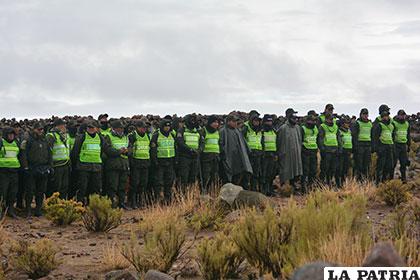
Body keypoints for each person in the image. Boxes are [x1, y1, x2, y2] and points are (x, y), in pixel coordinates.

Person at [20, 122, 53, 217]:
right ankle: (28, 210)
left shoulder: (45, 140)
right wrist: (25, 167)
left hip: (43, 168)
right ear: (34, 129)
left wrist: (50, 166)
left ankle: (38, 210)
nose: (40, 131)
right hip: (31, 168)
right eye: (38, 129)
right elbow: (24, 154)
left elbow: (50, 154)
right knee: (30, 191)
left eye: (42, 129)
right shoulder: (28, 140)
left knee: (41, 191)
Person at [72, 120, 105, 204]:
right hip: (83, 167)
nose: (90, 129)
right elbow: (75, 152)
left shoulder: (100, 138)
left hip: (96, 167)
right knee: (82, 188)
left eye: (92, 127)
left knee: (95, 188)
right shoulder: (81, 137)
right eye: (89, 127)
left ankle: (93, 206)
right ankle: (80, 206)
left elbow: (102, 151)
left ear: (96, 129)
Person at [103, 120, 130, 209]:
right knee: (112, 186)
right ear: (114, 129)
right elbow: (107, 150)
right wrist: (119, 151)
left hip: (124, 165)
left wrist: (128, 151)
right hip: (113, 166)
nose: (121, 130)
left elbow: (130, 148)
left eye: (122, 128)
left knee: (122, 186)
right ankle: (112, 205)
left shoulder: (126, 137)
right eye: (119, 128)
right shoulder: (108, 136)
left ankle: (121, 203)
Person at [220, 114, 253, 186]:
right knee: (229, 174)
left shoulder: (238, 131)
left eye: (236, 121)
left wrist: (249, 151)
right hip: (229, 157)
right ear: (228, 122)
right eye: (233, 121)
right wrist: (223, 153)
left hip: (239, 157)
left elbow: (244, 143)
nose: (235, 123)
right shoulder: (223, 131)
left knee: (240, 173)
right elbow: (221, 143)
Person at [150, 118, 176, 203]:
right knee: (159, 182)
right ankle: (158, 199)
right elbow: (153, 150)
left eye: (169, 126)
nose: (167, 128)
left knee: (169, 181)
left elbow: (175, 148)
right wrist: (155, 161)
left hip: (170, 161)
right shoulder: (156, 135)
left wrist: (176, 160)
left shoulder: (172, 135)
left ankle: (168, 199)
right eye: (165, 126)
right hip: (160, 162)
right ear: (162, 126)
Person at [278, 108, 303, 191]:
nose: (295, 119)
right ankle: (284, 187)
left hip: (296, 153)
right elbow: (279, 142)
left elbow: (300, 140)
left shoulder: (297, 128)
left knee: (296, 170)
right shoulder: (283, 128)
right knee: (286, 169)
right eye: (293, 117)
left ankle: (293, 185)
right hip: (286, 153)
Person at [128, 120, 151, 208]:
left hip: (145, 162)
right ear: (137, 127)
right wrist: (131, 163)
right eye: (142, 127)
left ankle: (141, 201)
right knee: (135, 183)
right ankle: (133, 201)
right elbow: (130, 150)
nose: (144, 129)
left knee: (143, 184)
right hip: (136, 162)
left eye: (145, 127)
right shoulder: (132, 136)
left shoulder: (147, 136)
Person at [176, 114, 203, 188]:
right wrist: (190, 149)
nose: (193, 122)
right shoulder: (181, 130)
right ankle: (183, 195)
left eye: (194, 120)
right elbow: (180, 142)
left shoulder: (198, 131)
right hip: (185, 157)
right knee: (184, 177)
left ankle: (191, 194)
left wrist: (199, 150)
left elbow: (202, 142)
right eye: (191, 120)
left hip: (195, 157)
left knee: (193, 177)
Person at [46, 118, 71, 198]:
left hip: (66, 164)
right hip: (56, 166)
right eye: (63, 125)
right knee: (56, 187)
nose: (64, 126)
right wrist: (50, 166)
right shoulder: (51, 136)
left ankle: (62, 204)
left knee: (65, 186)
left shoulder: (66, 136)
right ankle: (53, 205)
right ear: (57, 126)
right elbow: (48, 152)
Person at [0, 127, 21, 218]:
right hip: (3, 171)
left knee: (13, 193)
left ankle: (10, 210)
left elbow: (19, 155)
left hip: (14, 171)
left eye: (13, 134)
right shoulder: (1, 143)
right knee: (2, 193)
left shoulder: (16, 143)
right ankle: (1, 212)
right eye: (9, 134)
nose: (11, 136)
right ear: (5, 135)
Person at [242, 112, 264, 191]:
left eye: (258, 121)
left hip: (258, 154)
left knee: (256, 173)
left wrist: (262, 152)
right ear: (251, 120)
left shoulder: (261, 130)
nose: (256, 122)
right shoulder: (246, 128)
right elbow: (242, 141)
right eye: (255, 120)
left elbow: (262, 142)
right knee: (248, 172)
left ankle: (254, 189)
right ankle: (246, 189)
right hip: (249, 154)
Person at [372, 110, 395, 184]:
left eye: (387, 116)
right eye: (384, 116)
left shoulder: (391, 126)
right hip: (382, 147)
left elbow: (393, 136)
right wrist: (377, 148)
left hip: (390, 147)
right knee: (380, 166)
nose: (386, 117)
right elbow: (375, 137)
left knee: (389, 165)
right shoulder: (379, 125)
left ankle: (384, 181)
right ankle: (377, 182)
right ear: (381, 117)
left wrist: (393, 146)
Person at [318, 113, 340, 186]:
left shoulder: (336, 127)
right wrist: (322, 149)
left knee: (332, 168)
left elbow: (338, 138)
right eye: (330, 119)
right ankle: (321, 183)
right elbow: (320, 139)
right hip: (326, 151)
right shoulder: (322, 126)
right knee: (324, 168)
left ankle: (329, 182)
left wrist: (339, 148)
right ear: (326, 119)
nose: (332, 120)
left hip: (334, 150)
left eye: (333, 119)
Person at [200, 115, 221, 193]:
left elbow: (219, 143)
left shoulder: (218, 132)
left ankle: (212, 192)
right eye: (214, 122)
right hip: (206, 157)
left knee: (215, 176)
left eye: (217, 122)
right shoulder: (204, 130)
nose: (216, 124)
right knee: (206, 175)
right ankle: (204, 191)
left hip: (216, 157)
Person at [351, 108, 373, 181]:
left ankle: (364, 180)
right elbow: (354, 136)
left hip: (368, 145)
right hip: (359, 145)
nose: (365, 116)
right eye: (364, 114)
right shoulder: (357, 123)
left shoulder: (370, 124)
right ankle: (357, 180)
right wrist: (355, 147)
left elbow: (372, 135)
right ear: (360, 114)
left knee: (366, 165)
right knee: (358, 165)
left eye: (366, 114)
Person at [300, 113, 319, 192]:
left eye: (314, 120)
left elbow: (317, 138)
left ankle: (311, 186)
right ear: (307, 121)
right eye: (312, 120)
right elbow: (300, 140)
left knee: (313, 170)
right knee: (305, 170)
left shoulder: (315, 128)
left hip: (314, 151)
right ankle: (304, 187)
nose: (313, 122)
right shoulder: (303, 128)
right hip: (305, 152)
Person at [261, 114, 279, 196]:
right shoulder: (261, 131)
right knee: (264, 173)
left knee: (271, 173)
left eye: (270, 121)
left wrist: (276, 154)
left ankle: (270, 189)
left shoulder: (274, 131)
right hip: (264, 155)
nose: (269, 123)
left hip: (273, 154)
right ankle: (264, 190)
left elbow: (277, 143)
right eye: (267, 121)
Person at [393, 110, 411, 183]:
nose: (402, 116)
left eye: (403, 115)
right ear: (398, 115)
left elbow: (408, 135)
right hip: (396, 145)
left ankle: (404, 179)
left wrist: (409, 145)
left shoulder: (407, 124)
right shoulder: (394, 123)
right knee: (393, 163)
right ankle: (390, 178)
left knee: (403, 163)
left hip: (403, 145)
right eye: (401, 115)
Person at [337, 116, 353, 186]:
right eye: (346, 123)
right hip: (342, 152)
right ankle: (338, 183)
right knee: (340, 169)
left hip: (348, 151)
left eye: (348, 123)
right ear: (342, 124)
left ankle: (343, 183)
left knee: (346, 169)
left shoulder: (349, 131)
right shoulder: (339, 131)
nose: (348, 124)